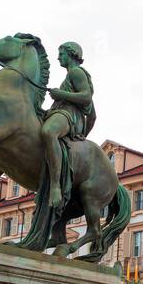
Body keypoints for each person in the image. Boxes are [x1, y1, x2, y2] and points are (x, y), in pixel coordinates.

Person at [41, 42, 96, 213]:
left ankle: (56, 186)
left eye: (61, 53)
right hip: (63, 114)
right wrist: (84, 134)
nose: (58, 57)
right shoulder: (71, 76)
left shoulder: (76, 72)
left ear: (71, 54)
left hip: (69, 115)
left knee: (48, 132)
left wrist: (60, 94)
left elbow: (86, 97)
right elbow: (93, 116)